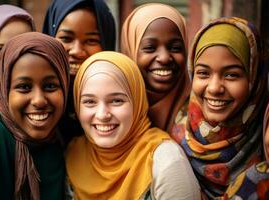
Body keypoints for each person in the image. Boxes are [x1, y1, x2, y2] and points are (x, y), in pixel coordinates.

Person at [65, 51, 200, 200]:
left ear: (137, 102)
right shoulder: (73, 153)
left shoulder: (167, 161)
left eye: (116, 101)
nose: (102, 115)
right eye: (89, 102)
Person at [171, 17, 269, 199]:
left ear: (254, 78)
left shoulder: (265, 138)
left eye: (232, 75)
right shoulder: (175, 140)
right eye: (203, 73)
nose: (214, 88)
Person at [0, 32, 70, 200]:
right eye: (24, 87)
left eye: (51, 86)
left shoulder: (61, 141)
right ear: (5, 87)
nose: (39, 100)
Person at [42, 0, 116, 141]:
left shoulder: (122, 107)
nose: (76, 51)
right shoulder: (33, 104)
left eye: (91, 40)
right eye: (66, 38)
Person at [121, 3, 190, 133]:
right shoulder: (110, 112)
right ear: (130, 50)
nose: (164, 58)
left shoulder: (205, 113)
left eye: (175, 48)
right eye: (149, 48)